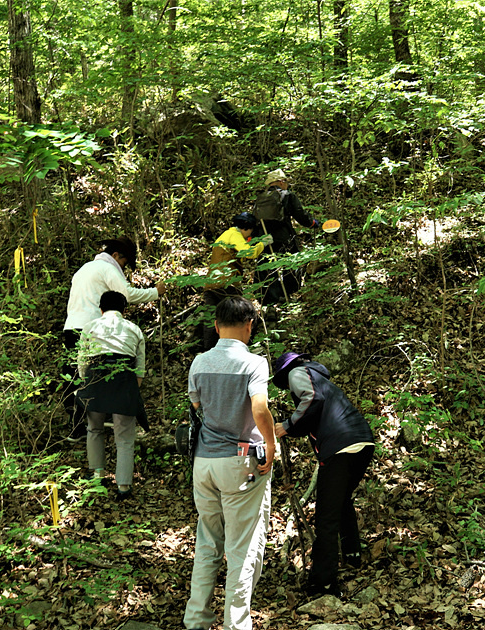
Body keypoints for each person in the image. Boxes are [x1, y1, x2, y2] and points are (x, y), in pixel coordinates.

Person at [183, 296, 276, 630]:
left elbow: (197, 407)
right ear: (249, 326)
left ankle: (196, 618)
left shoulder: (199, 363)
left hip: (204, 463)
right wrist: (270, 441)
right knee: (243, 545)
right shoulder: (254, 363)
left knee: (208, 539)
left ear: (217, 326)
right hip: (240, 463)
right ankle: (236, 624)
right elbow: (260, 408)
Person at [272, 351, 375, 598]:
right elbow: (314, 412)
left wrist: (285, 426)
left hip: (339, 448)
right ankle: (352, 555)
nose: (288, 388)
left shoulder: (298, 373)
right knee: (340, 502)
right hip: (362, 442)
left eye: (284, 384)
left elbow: (311, 399)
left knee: (326, 518)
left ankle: (324, 584)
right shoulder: (321, 378)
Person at [61, 236, 164, 441]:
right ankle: (98, 420)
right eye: (124, 263)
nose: (124, 268)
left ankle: (76, 426)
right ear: (115, 255)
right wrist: (155, 292)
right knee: (95, 374)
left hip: (71, 326)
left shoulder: (84, 269)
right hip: (91, 327)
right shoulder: (107, 268)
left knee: (73, 376)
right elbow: (125, 294)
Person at [76, 291, 146, 501]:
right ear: (125, 311)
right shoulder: (134, 329)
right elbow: (140, 370)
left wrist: (86, 384)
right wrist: (132, 391)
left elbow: (82, 363)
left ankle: (97, 473)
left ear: (101, 309)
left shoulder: (90, 327)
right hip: (124, 380)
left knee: (94, 428)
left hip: (95, 379)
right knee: (124, 437)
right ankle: (124, 485)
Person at [197, 213, 270, 352]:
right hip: (226, 283)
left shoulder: (224, 235)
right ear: (247, 227)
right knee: (244, 313)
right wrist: (263, 243)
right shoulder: (234, 235)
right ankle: (251, 344)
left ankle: (208, 351)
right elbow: (248, 253)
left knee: (212, 318)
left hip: (211, 285)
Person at [253, 169, 320, 304]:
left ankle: (269, 302)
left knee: (267, 267)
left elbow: (254, 220)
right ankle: (290, 294)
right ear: (281, 182)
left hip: (264, 239)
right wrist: (313, 223)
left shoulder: (260, 199)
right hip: (284, 237)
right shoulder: (287, 195)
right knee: (291, 263)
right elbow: (300, 214)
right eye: (286, 182)